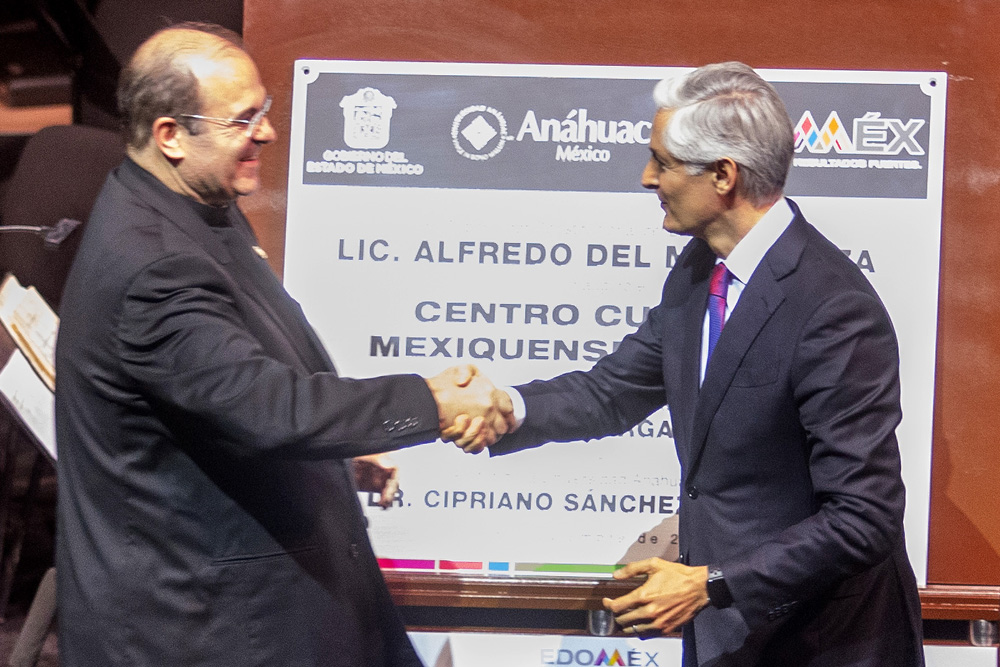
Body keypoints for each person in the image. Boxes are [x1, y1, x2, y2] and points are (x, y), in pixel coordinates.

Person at [54, 23, 509, 667]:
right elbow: (271, 408)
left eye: (263, 111)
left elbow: (218, 395)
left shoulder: (192, 206)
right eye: (244, 120)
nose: (266, 132)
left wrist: (333, 463)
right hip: (207, 627)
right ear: (171, 136)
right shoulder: (152, 265)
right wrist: (430, 401)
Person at [453, 62, 924, 666]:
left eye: (664, 162)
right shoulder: (700, 270)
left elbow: (863, 518)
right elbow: (614, 390)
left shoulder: (833, 309)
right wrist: (506, 408)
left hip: (823, 642)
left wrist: (711, 582)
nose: (648, 178)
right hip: (729, 636)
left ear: (724, 175)